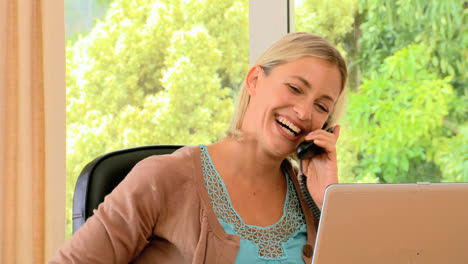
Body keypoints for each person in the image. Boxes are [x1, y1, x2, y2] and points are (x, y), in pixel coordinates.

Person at [49, 32, 347, 263]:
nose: (305, 113)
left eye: (321, 106)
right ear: (255, 80)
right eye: (295, 88)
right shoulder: (163, 177)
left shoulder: (313, 200)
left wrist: (327, 205)